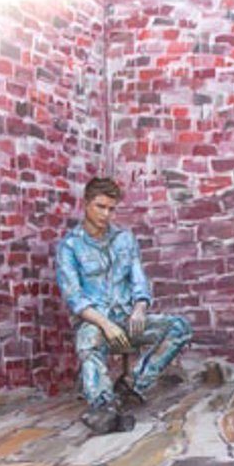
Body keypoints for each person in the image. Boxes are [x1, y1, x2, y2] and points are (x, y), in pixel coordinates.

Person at [57, 177, 192, 434]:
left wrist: (139, 308)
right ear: (85, 204)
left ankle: (131, 388)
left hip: (127, 319)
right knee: (87, 339)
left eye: (111, 209)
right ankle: (104, 404)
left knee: (179, 327)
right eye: (100, 207)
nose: (106, 214)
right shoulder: (70, 246)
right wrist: (106, 325)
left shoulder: (125, 239)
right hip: (96, 322)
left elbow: (139, 281)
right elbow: (74, 297)